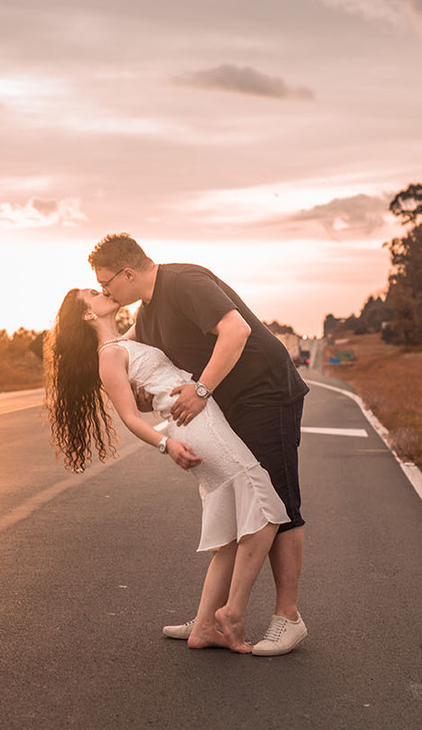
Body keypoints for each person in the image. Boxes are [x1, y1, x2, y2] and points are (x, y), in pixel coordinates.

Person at [88, 234, 309, 656]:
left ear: (128, 273)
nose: (105, 292)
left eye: (106, 283)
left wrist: (201, 389)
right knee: (236, 499)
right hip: (227, 408)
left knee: (278, 503)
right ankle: (208, 620)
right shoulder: (147, 316)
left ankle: (288, 617)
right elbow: (130, 357)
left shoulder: (184, 281)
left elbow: (236, 329)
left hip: (266, 393)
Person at [45, 288, 289, 653]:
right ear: (86, 316)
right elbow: (129, 416)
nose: (104, 291)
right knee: (267, 509)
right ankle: (233, 615)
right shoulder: (108, 356)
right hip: (195, 424)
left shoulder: (122, 342)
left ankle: (204, 627)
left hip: (197, 420)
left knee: (227, 536)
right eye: (94, 293)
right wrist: (167, 445)